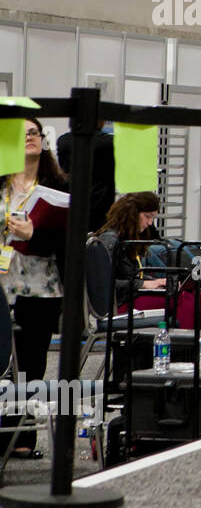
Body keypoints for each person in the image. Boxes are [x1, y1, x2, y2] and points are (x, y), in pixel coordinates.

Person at [1, 118, 68, 459]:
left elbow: (70, 238)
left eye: (34, 133)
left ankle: (21, 436)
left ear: (43, 142)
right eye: (21, 134)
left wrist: (34, 235)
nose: (29, 138)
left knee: (29, 362)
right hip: (2, 283)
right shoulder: (0, 185)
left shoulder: (58, 187)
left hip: (41, 285)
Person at [95, 192, 201, 329]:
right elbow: (103, 285)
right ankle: (183, 346)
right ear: (131, 214)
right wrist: (144, 284)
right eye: (147, 217)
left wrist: (156, 282)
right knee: (185, 299)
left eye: (152, 218)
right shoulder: (110, 241)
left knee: (197, 295)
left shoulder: (130, 239)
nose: (150, 223)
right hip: (119, 303)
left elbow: (132, 274)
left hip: (132, 294)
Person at [56, 120, 116, 233]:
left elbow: (64, 170)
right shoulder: (109, 143)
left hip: (71, 204)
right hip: (101, 206)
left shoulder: (64, 141)